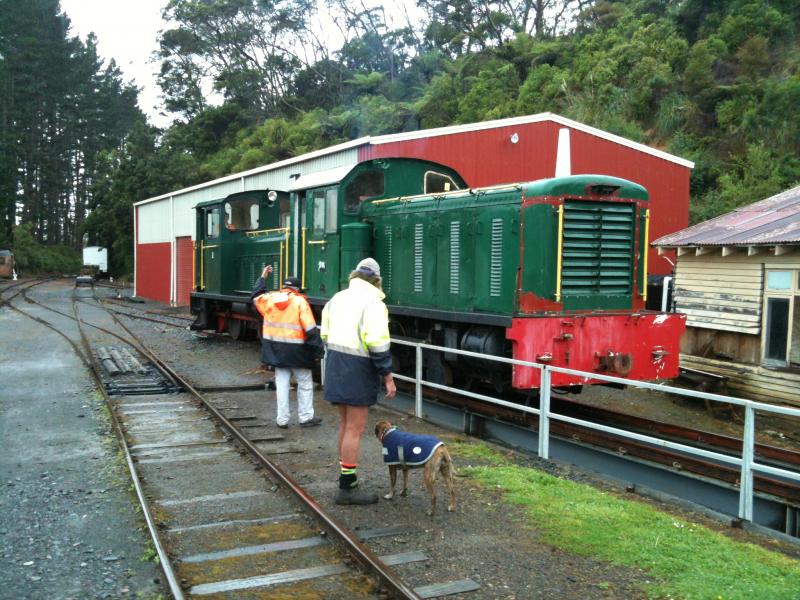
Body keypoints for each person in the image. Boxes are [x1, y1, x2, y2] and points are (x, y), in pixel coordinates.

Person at [321, 257, 396, 505]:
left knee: (345, 424)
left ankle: (345, 477)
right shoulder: (373, 303)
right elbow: (377, 343)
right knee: (356, 428)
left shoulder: (336, 298)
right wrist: (387, 376)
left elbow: (325, 333)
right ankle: (347, 487)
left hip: (334, 363)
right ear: (376, 280)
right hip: (357, 368)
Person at [251, 265, 323, 428]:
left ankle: (282, 420)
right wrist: (318, 350)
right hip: (298, 352)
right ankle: (305, 418)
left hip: (276, 352)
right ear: (297, 289)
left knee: (282, 385)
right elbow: (310, 329)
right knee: (304, 383)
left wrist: (263, 277)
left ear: (284, 286)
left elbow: (255, 296)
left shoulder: (270, 299)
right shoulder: (300, 302)